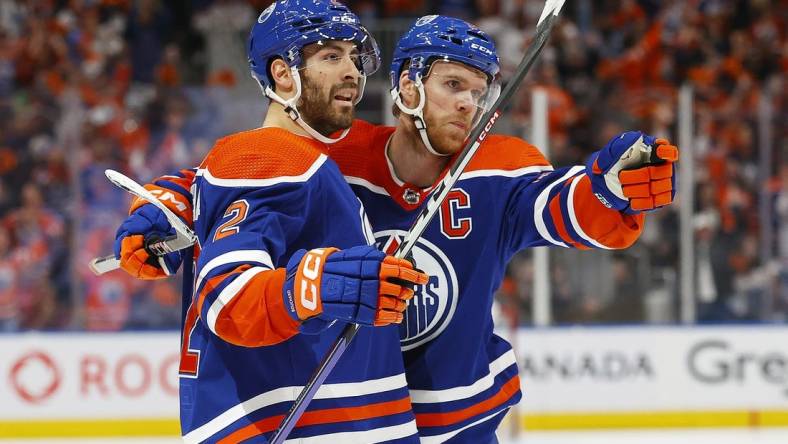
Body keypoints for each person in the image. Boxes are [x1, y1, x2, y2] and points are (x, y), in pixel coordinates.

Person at [117, 15, 679, 444]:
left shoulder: (497, 167)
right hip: (359, 409)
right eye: (453, 85)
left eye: (479, 92)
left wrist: (610, 189)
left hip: (458, 416)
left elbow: (561, 206)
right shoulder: (339, 154)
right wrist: (167, 204)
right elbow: (235, 176)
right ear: (407, 87)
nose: (470, 105)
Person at [115, 1, 428, 442]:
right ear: (283, 73)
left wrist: (176, 196)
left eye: (355, 59)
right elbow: (227, 300)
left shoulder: (292, 159)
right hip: (295, 425)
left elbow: (234, 184)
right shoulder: (269, 158)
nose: (353, 72)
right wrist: (315, 287)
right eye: (331, 57)